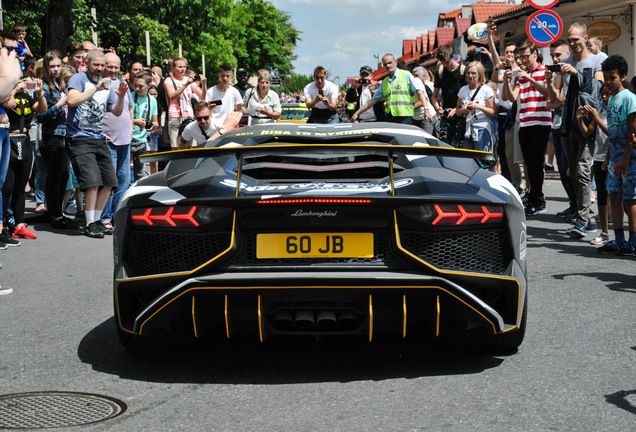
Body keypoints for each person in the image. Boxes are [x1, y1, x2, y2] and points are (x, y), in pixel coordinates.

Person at [546, 22, 604, 238]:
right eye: (569, 40)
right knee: (574, 172)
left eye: (575, 39)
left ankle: (583, 220)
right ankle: (587, 220)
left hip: (589, 124)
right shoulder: (566, 62)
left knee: (582, 170)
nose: (572, 43)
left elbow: (599, 88)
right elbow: (556, 97)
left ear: (586, 38)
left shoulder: (599, 60)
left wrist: (577, 75)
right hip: (568, 124)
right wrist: (549, 83)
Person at [65, 49, 128, 238]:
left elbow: (116, 112)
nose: (100, 68)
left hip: (98, 137)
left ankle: (98, 220)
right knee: (92, 182)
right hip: (79, 137)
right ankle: (89, 223)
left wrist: (122, 96)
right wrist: (95, 89)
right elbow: (72, 100)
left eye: (102, 65)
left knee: (110, 181)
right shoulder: (79, 79)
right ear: (87, 63)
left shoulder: (107, 85)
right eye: (97, 65)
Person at [503, 40, 552, 215]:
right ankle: (534, 198)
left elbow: (548, 93)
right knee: (528, 164)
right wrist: (508, 82)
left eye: (525, 56)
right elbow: (511, 97)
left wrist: (529, 78)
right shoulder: (520, 75)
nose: (522, 60)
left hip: (541, 121)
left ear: (535, 54)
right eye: (520, 57)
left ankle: (538, 200)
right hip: (524, 122)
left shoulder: (544, 71)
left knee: (536, 163)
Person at [596, 55, 636, 255]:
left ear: (623, 77)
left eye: (613, 78)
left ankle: (633, 241)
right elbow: (612, 132)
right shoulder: (611, 100)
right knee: (614, 197)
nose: (609, 82)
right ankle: (619, 240)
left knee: (630, 200)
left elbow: (634, 132)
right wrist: (608, 158)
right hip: (614, 159)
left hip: (629, 159)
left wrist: (625, 159)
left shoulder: (630, 98)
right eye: (606, 78)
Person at [35, 50, 77, 230]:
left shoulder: (59, 84)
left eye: (58, 66)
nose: (56, 69)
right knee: (56, 176)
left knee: (63, 175)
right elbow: (41, 116)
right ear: (46, 67)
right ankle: (56, 215)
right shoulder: (44, 86)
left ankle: (55, 211)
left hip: (63, 134)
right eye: (52, 66)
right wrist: (60, 104)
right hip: (51, 136)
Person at [2, 78, 46, 240]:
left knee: (21, 184)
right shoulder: (5, 92)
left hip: (25, 138)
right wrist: (13, 90)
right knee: (7, 186)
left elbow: (41, 108)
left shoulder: (27, 96)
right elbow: (7, 104)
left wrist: (40, 92)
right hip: (9, 138)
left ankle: (19, 224)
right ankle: (4, 224)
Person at [100, 52, 133, 232]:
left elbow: (129, 108)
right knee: (109, 182)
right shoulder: (100, 85)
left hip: (125, 140)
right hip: (108, 140)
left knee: (123, 180)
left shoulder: (124, 83)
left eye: (115, 66)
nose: (113, 70)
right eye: (109, 66)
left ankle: (117, 217)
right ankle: (104, 218)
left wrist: (130, 130)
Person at [548, 39, 578, 221]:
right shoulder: (558, 74)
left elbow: (559, 99)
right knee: (562, 168)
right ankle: (573, 204)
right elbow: (551, 100)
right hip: (558, 124)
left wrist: (557, 98)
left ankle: (579, 208)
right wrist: (549, 84)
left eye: (558, 55)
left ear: (568, 54)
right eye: (552, 56)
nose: (555, 59)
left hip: (571, 125)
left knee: (570, 168)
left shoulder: (574, 69)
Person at [352, 54, 427, 125]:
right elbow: (372, 101)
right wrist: (357, 113)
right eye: (385, 64)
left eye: (390, 63)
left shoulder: (406, 75)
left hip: (405, 117)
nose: (388, 65)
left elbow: (419, 92)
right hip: (390, 117)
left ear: (396, 62)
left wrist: (426, 109)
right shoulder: (385, 82)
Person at [577, 89, 610, 245]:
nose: (604, 96)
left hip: (615, 157)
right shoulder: (601, 109)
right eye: (602, 93)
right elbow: (587, 132)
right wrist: (580, 120)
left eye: (607, 94)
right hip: (598, 157)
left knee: (622, 198)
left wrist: (596, 117)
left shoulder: (619, 110)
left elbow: (613, 133)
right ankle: (604, 233)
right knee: (601, 196)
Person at [455, 61, 496, 158]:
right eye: (468, 73)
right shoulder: (463, 90)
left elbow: (492, 112)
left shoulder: (486, 90)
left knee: (481, 158)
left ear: (480, 74)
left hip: (482, 127)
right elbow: (457, 111)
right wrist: (462, 110)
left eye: (473, 73)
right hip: (467, 128)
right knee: (468, 159)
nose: (470, 75)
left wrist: (477, 106)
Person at [164, 57, 204, 149]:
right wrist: (185, 85)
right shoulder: (169, 81)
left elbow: (202, 95)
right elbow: (172, 96)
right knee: (175, 146)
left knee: (191, 146)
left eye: (184, 67)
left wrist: (204, 84)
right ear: (173, 68)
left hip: (188, 115)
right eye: (180, 67)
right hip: (175, 115)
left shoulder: (189, 79)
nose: (182, 69)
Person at [431, 46, 466, 144]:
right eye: (442, 62)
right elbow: (434, 96)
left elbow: (469, 95)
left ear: (452, 57)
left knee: (458, 146)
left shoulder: (463, 71)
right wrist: (438, 108)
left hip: (461, 115)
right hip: (446, 116)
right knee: (444, 146)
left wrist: (456, 109)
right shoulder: (440, 72)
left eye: (447, 62)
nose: (445, 65)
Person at [179, 101, 243, 147]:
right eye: (199, 118)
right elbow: (182, 141)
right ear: (195, 117)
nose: (203, 121)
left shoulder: (221, 125)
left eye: (206, 117)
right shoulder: (190, 128)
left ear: (210, 115)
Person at [131, 71, 158, 178]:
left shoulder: (152, 100)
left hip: (142, 139)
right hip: (129, 138)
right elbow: (121, 118)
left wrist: (153, 125)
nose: (137, 88)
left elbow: (155, 120)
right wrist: (135, 121)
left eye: (141, 86)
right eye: (135, 85)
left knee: (140, 172)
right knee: (125, 171)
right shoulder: (130, 96)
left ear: (149, 85)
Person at [411, 66, 436, 133]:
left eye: (416, 75)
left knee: (426, 140)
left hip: (425, 117)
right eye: (413, 75)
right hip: (417, 117)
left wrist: (408, 108)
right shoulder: (415, 82)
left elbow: (422, 101)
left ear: (424, 76)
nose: (414, 77)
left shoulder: (417, 81)